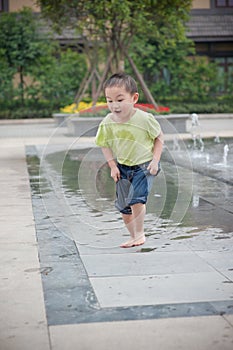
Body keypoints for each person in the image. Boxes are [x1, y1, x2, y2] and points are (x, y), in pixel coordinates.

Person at [95, 72, 163, 248]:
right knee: (124, 208)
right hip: (123, 167)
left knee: (137, 200)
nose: (114, 105)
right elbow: (104, 144)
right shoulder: (107, 123)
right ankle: (134, 236)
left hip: (144, 165)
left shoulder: (144, 119)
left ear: (134, 98)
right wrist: (112, 166)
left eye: (119, 99)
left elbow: (159, 138)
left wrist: (155, 161)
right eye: (109, 101)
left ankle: (140, 234)